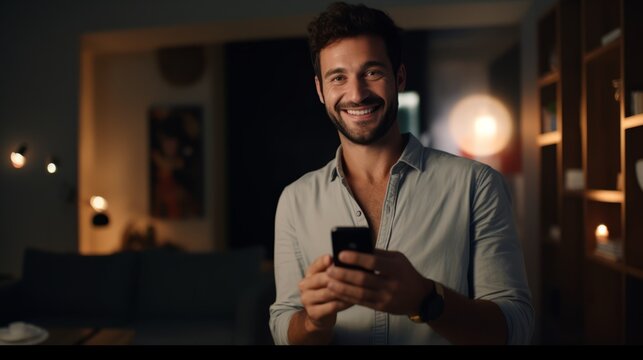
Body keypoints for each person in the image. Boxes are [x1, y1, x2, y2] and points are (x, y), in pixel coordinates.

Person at [269, 2, 534, 345]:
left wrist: (426, 299)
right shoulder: (295, 200)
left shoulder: (477, 185)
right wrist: (314, 323)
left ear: (400, 78)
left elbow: (516, 329)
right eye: (339, 77)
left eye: (373, 72)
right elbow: (283, 327)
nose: (357, 93)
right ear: (321, 90)